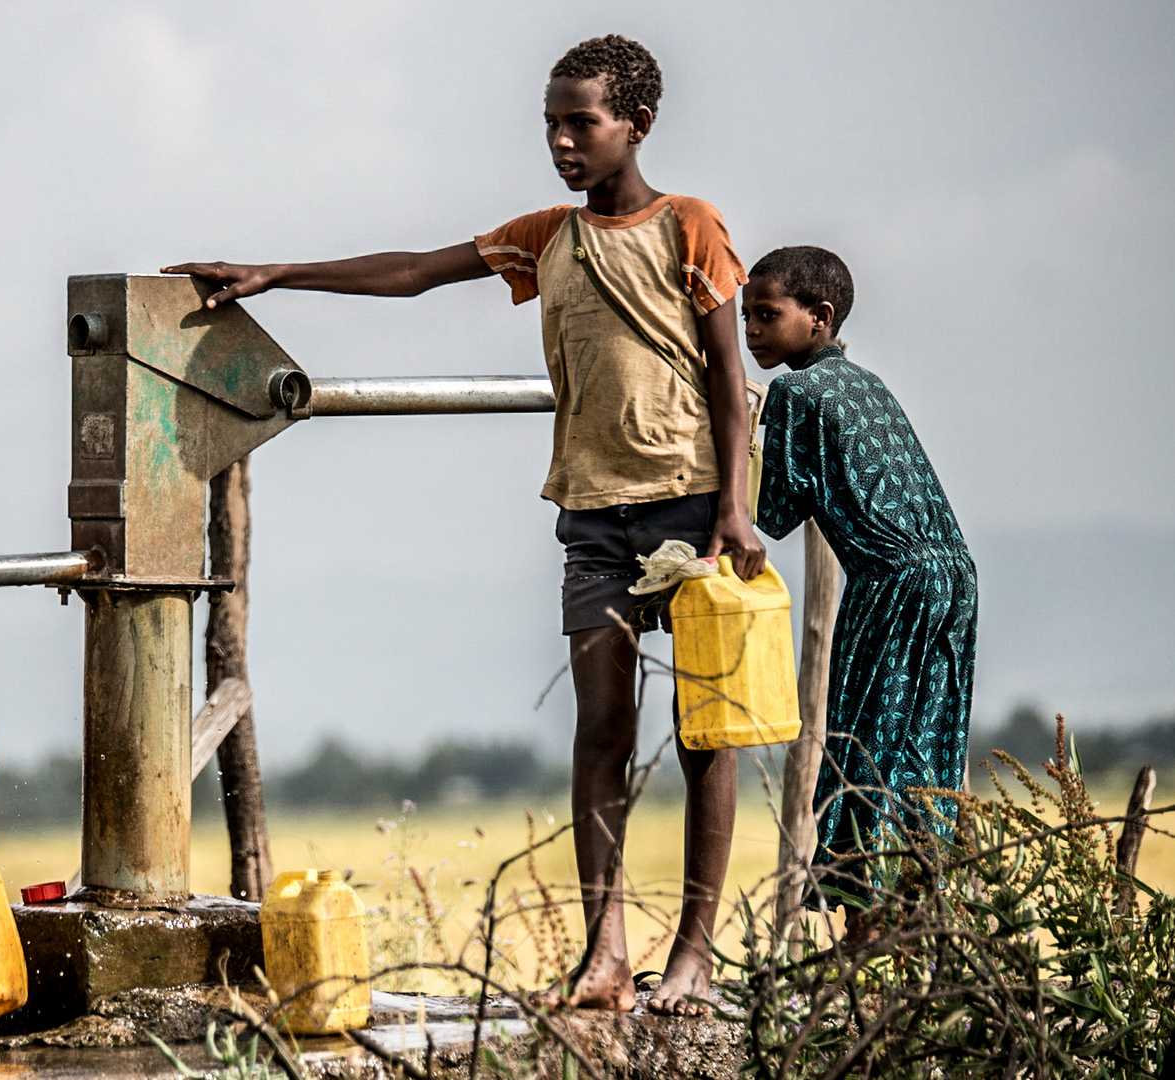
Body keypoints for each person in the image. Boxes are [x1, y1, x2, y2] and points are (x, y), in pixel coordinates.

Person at [164, 34, 763, 1015]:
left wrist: (732, 509)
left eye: (583, 122)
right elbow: (415, 269)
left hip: (692, 509)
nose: (563, 142)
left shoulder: (689, 227)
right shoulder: (546, 237)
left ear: (635, 127)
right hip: (593, 520)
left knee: (707, 736)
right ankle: (604, 956)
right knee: (601, 732)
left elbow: (730, 382)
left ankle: (693, 954)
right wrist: (277, 273)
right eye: (550, 125)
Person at [743, 246, 978, 920]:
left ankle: (863, 930)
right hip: (954, 575)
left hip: (890, 583)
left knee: (858, 750)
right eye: (746, 317)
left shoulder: (794, 393)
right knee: (926, 751)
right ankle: (928, 918)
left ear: (819, 318)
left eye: (767, 315)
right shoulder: (866, 383)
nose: (751, 329)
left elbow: (773, 515)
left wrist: (737, 431)